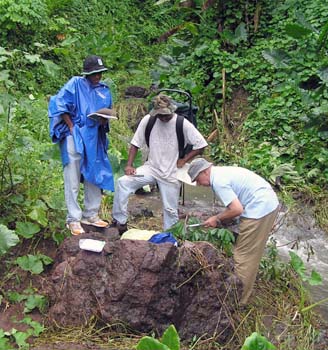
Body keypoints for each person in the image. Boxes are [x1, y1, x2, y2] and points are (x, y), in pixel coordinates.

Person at [111, 94, 208, 234]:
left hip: (171, 172)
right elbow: (135, 143)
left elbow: (201, 145)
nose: (162, 118)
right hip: (151, 168)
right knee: (123, 182)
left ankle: (170, 236)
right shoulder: (148, 121)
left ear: (172, 111)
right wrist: (129, 165)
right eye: (160, 116)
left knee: (170, 210)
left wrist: (185, 159)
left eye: (165, 116)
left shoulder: (182, 123)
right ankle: (120, 222)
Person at [187, 158, 279, 304]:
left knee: (243, 256)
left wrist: (216, 218)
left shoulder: (218, 181)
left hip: (260, 208)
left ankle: (238, 301)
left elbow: (236, 209)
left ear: (204, 171)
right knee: (251, 254)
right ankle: (243, 292)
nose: (199, 185)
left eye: (198, 180)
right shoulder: (223, 172)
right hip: (268, 203)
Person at [48, 55, 115, 236]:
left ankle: (91, 214)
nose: (98, 77)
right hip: (75, 134)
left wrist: (103, 120)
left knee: (94, 172)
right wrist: (70, 126)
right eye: (94, 73)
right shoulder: (75, 84)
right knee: (73, 174)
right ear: (87, 73)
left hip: (94, 136)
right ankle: (73, 219)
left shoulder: (104, 90)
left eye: (100, 73)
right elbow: (58, 103)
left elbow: (107, 112)